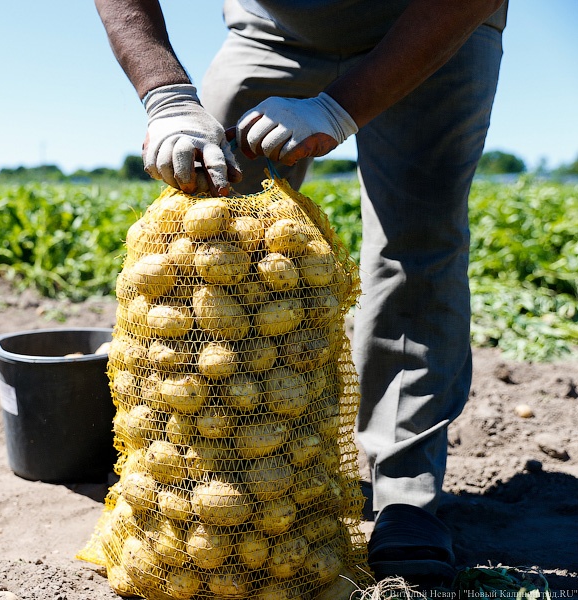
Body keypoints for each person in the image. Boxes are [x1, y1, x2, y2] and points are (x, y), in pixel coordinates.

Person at [95, 0, 508, 585]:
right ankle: (205, 478)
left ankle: (405, 498)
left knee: (415, 245)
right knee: (207, 230)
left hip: (430, 22)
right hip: (274, 31)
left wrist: (339, 108)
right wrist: (165, 95)